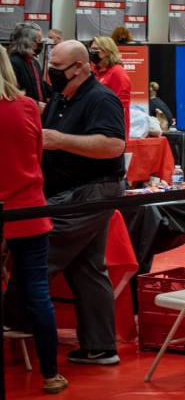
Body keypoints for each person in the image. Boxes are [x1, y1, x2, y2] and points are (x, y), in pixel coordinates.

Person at [7, 40, 125, 365]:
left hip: (89, 193)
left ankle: (14, 320)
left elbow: (114, 145)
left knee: (37, 253)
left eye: (57, 68)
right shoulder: (62, 96)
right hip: (73, 192)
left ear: (80, 67)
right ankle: (100, 346)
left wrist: (60, 141)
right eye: (51, 66)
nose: (51, 74)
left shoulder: (101, 98)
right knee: (87, 267)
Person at [0, 45, 66, 393]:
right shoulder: (27, 107)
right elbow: (38, 154)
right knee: (39, 294)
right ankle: (51, 374)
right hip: (30, 209)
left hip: (15, 209)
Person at [89, 37, 129, 121]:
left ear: (106, 51)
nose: (92, 52)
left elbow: (121, 103)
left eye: (95, 49)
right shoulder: (95, 71)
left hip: (111, 122)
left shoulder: (117, 72)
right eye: (91, 49)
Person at [10, 22, 50, 106]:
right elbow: (13, 93)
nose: (40, 44)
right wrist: (36, 104)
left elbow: (42, 86)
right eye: (38, 40)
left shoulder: (34, 62)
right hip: (25, 110)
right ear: (27, 42)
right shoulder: (13, 63)